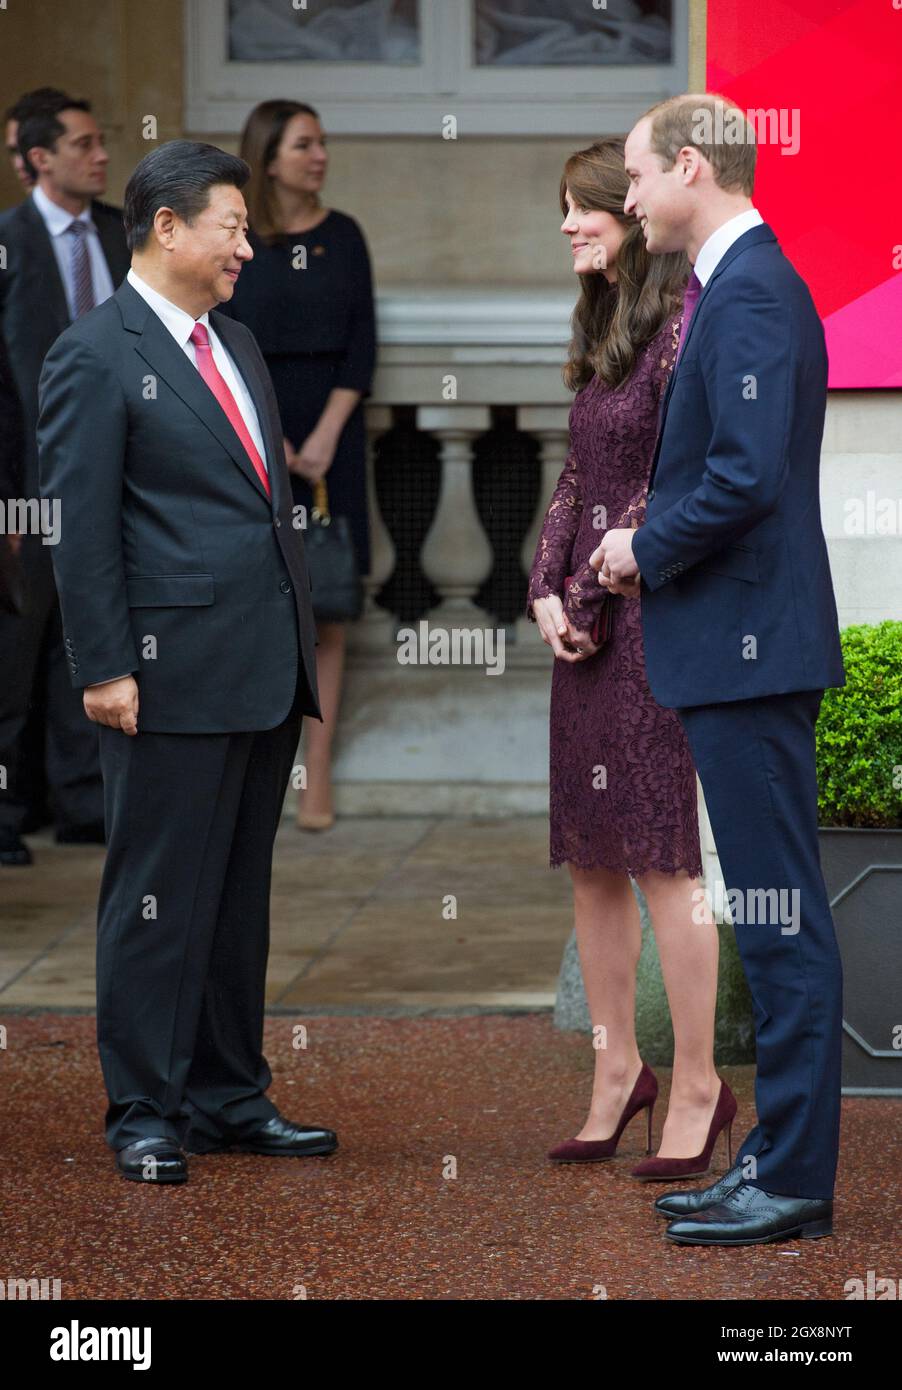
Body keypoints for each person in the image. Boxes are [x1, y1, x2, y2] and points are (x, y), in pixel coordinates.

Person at [37, 140, 336, 1184]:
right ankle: (145, 1110)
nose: (246, 247)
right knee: (157, 894)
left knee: (235, 896)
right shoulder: (93, 352)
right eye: (232, 227)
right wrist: (106, 665)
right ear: (167, 227)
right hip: (162, 675)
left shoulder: (236, 343)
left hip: (259, 667)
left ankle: (226, 1095)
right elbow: (81, 532)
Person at [593, 93, 845, 1245]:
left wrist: (639, 545)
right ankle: (777, 1164)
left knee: (780, 916)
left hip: (745, 652)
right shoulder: (737, 286)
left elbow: (742, 478)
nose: (627, 197)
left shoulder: (747, 291)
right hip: (739, 647)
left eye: (638, 176)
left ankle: (788, 1179)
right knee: (771, 910)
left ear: (691, 166)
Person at [527, 140, 736, 1181]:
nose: (565, 225)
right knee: (593, 860)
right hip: (582, 635)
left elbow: (675, 476)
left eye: (580, 209)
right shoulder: (601, 318)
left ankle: (697, 1081)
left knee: (661, 861)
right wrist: (540, 591)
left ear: (626, 207)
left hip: (652, 619)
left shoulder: (684, 322)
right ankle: (617, 1074)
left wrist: (588, 591)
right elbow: (581, 469)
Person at [222, 99, 376, 831]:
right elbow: (217, 340)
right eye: (303, 144)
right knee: (255, 601)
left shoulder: (345, 234)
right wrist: (271, 434)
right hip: (249, 433)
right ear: (269, 157)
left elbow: (362, 347)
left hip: (332, 441)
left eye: (322, 142)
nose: (319, 155)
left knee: (326, 607)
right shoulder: (237, 240)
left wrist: (323, 437)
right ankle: (255, 770)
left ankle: (316, 779)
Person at [0, 90, 129, 864]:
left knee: (86, 638)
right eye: (83, 144)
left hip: (109, 478)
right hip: (26, 486)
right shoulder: (8, 241)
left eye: (101, 140)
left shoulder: (122, 234)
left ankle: (86, 804)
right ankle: (6, 813)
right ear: (41, 157)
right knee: (15, 650)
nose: (101, 154)